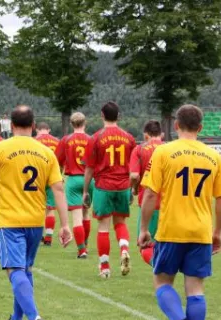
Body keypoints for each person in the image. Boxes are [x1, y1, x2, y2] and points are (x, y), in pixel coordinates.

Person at [0, 105, 72, 320]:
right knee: (25, 269)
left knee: (14, 270)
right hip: (36, 220)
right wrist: (65, 225)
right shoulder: (46, 152)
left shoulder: (0, 149)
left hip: (11, 220)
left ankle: (34, 318)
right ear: (33, 126)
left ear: (11, 125)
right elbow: (58, 189)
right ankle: (16, 318)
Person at [138, 104, 221, 320]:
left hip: (170, 230)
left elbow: (150, 194)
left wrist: (145, 228)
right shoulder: (213, 156)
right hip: (201, 231)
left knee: (162, 282)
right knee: (195, 289)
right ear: (200, 128)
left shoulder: (164, 152)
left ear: (176, 125)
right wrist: (218, 232)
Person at [83, 101, 136, 279]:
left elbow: (89, 168)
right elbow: (133, 167)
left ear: (102, 115)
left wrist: (85, 191)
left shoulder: (96, 137)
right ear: (119, 116)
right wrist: (131, 189)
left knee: (103, 227)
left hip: (103, 186)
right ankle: (124, 248)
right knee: (120, 223)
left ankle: (105, 267)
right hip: (123, 186)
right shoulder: (129, 138)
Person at [55, 112, 93, 258]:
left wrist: (59, 176)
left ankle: (81, 250)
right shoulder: (91, 139)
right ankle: (86, 244)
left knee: (76, 217)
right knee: (86, 213)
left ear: (71, 124)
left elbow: (57, 161)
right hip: (89, 180)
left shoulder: (66, 140)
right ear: (85, 123)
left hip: (73, 179)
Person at [129, 120, 163, 266]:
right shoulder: (169, 149)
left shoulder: (140, 149)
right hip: (170, 205)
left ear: (145, 134)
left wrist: (134, 189)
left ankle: (163, 270)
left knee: (145, 245)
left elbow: (134, 176)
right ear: (161, 134)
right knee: (164, 246)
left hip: (150, 204)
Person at [35, 122, 60, 246]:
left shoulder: (34, 141)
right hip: (52, 177)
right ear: (49, 129)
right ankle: (49, 237)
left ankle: (38, 236)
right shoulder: (57, 141)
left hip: (37, 177)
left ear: (37, 129)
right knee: (50, 209)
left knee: (37, 207)